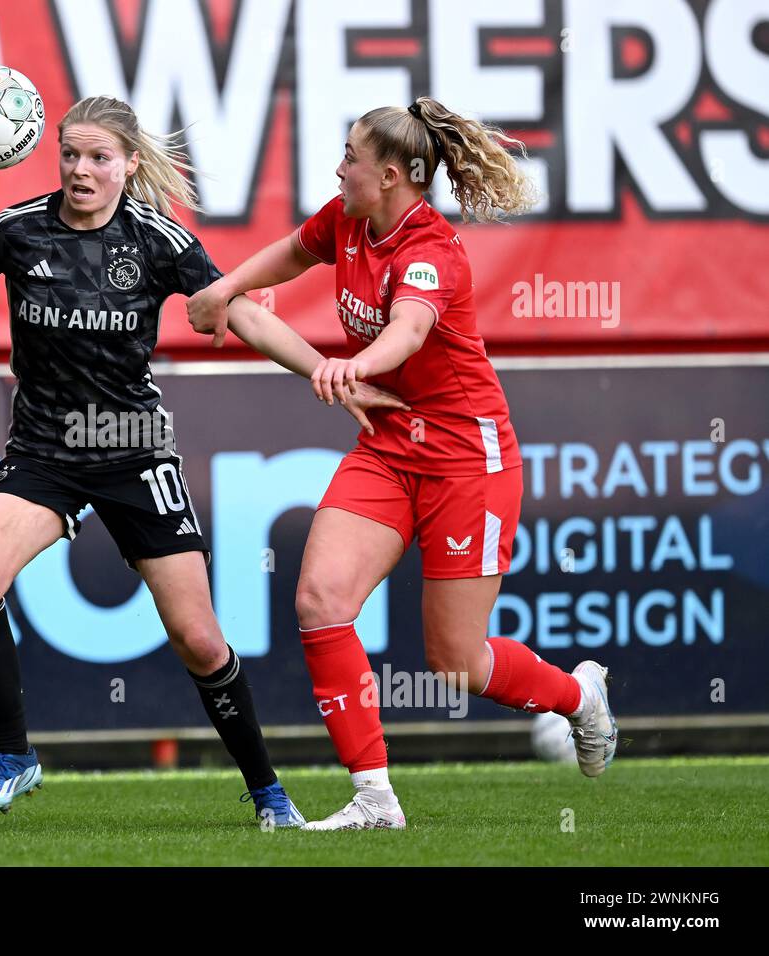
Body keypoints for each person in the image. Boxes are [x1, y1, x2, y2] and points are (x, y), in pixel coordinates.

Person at [0, 96, 346, 826]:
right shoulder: (17, 231)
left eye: (99, 158)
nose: (81, 170)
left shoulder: (158, 240)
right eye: (71, 155)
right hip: (44, 452)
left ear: (128, 164)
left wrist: (319, 369)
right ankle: (15, 758)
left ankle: (269, 793)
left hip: (133, 451)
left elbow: (233, 309)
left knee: (200, 641)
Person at [187, 97, 618, 831]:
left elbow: (407, 334)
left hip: (465, 460)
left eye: (350, 157)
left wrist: (351, 368)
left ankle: (579, 699)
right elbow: (294, 251)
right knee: (321, 601)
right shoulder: (350, 217)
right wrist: (227, 287)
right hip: (389, 446)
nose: (338, 166)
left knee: (456, 660)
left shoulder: (431, 251)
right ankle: (375, 799)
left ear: (389, 175)